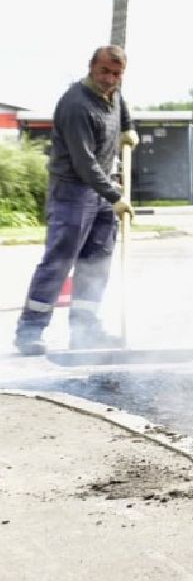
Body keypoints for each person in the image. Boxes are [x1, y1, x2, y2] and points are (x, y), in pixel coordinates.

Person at [14, 47, 137, 356]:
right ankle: (30, 331)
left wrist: (129, 127)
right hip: (72, 191)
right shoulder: (76, 105)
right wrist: (115, 196)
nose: (110, 79)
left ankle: (86, 331)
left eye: (116, 74)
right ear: (91, 68)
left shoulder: (114, 94)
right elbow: (84, 163)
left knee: (96, 262)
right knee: (60, 260)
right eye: (104, 72)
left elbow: (120, 108)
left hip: (102, 190)